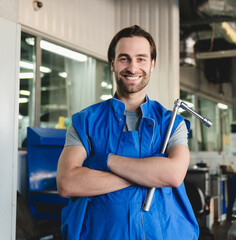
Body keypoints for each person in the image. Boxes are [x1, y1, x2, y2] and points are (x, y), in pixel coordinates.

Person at [56, 25, 199, 239]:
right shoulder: (84, 122)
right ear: (112, 64)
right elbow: (67, 183)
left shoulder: (172, 123)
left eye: (141, 59)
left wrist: (105, 162)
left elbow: (173, 174)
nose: (133, 68)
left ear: (152, 64)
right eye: (124, 59)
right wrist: (149, 174)